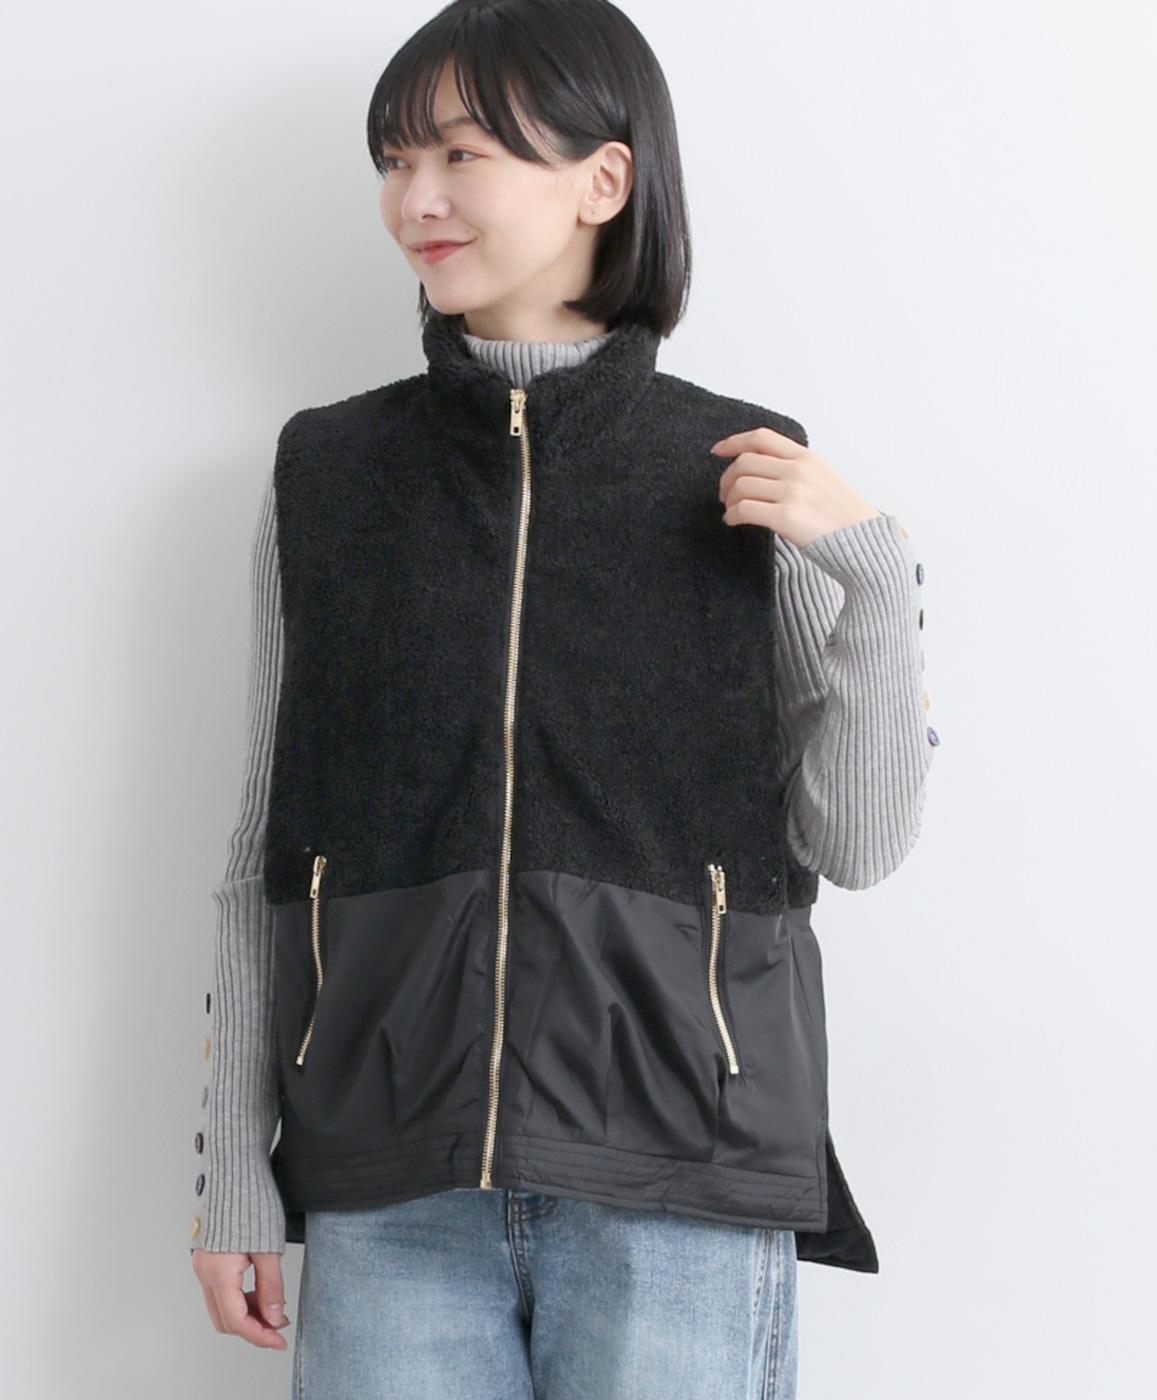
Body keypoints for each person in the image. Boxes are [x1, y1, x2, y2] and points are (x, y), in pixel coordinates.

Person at [188, 2, 937, 1395]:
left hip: (683, 1176)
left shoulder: (738, 469)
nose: (415, 200)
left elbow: (859, 843)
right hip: (387, 1181)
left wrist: (879, 583)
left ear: (604, 180)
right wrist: (236, 1171)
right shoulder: (327, 478)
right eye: (395, 160)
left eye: (461, 154)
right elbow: (262, 854)